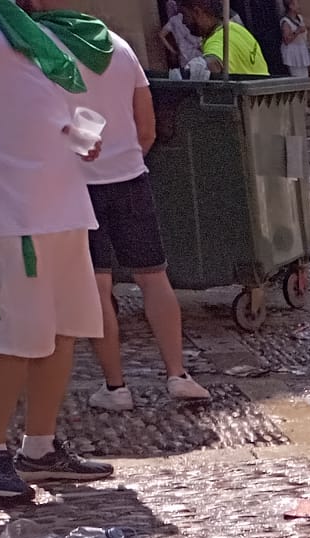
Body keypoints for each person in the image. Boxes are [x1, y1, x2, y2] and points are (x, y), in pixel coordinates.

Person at [0, 0, 115, 504]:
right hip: (13, 210)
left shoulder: (22, 25)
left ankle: (39, 447)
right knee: (16, 337)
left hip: (63, 203)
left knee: (64, 332)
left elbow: (29, 102)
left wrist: (68, 134)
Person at [69, 16, 212, 412]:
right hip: (130, 178)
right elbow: (146, 127)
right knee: (154, 276)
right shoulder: (121, 48)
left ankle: (115, 387)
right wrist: (125, 158)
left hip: (78, 185)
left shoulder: (49, 51)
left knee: (98, 288)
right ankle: (178, 374)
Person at [181, 0, 270, 76]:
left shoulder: (219, 39)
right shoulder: (236, 28)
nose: (183, 21)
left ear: (197, 12)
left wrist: (192, 70)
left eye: (185, 15)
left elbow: (213, 63)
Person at [158, 0, 201, 72]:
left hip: (183, 56)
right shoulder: (194, 17)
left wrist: (173, 51)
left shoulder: (173, 20)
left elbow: (161, 35)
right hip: (198, 53)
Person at [278, 0, 310, 78]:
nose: (299, 6)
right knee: (297, 76)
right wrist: (297, 31)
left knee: (305, 76)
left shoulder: (300, 18)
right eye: (297, 3)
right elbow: (287, 40)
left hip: (301, 50)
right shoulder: (286, 22)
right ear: (291, 6)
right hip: (293, 54)